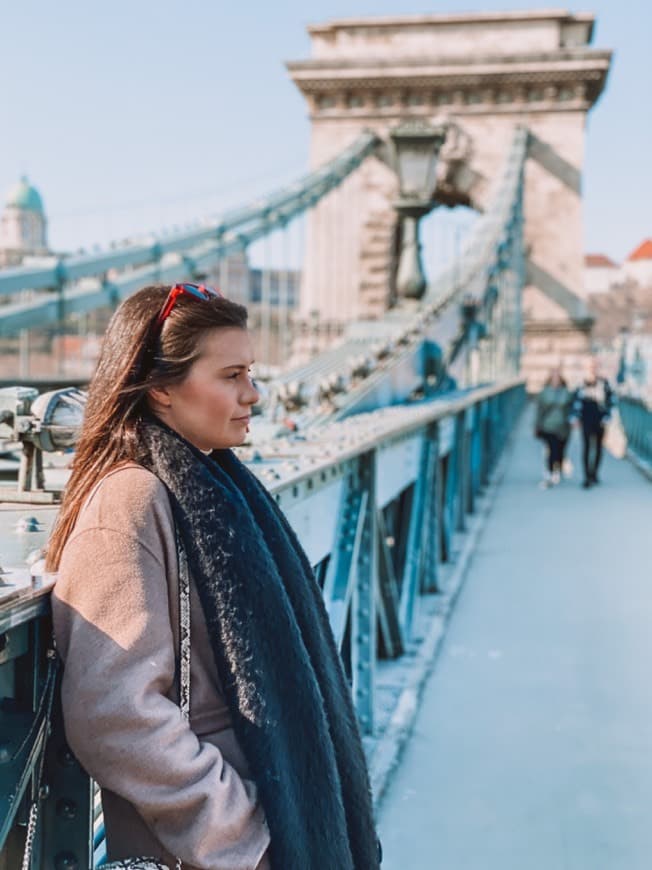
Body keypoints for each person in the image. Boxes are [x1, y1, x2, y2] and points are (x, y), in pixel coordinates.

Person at [47, 283, 381, 870]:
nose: (253, 394)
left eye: (250, 373)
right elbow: (114, 713)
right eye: (231, 376)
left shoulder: (221, 488)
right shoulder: (130, 501)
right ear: (160, 389)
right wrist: (243, 836)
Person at [571, 356, 615, 488]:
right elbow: (575, 402)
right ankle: (587, 476)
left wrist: (607, 417)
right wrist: (575, 417)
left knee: (598, 448)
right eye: (590, 367)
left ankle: (594, 473)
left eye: (594, 367)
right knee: (586, 447)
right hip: (586, 419)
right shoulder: (580, 384)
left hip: (600, 420)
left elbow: (612, 401)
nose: (592, 370)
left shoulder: (604, 383)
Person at [534, 367, 573, 487]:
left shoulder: (567, 392)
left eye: (558, 377)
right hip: (548, 426)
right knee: (552, 449)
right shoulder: (544, 392)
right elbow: (539, 410)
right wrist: (537, 425)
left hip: (563, 426)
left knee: (561, 450)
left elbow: (571, 409)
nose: (556, 380)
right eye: (553, 377)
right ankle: (550, 471)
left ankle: (559, 469)